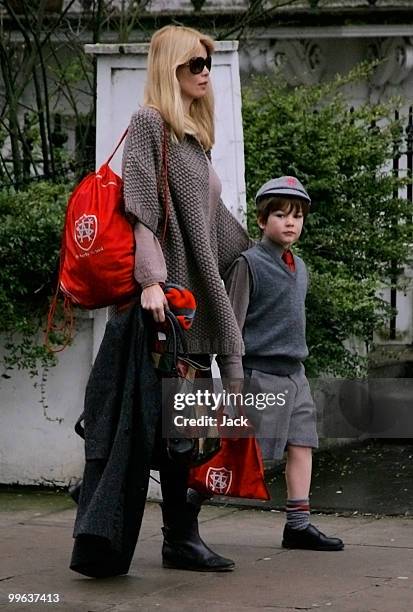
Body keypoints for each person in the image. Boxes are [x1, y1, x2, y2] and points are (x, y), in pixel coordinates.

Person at [121, 25, 251, 571]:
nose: (204, 72)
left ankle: (180, 532)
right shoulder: (149, 123)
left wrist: (256, 257)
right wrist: (151, 281)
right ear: (170, 66)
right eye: (195, 63)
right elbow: (140, 212)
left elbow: (211, 224)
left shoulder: (192, 139)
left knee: (192, 429)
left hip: (200, 307)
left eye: (207, 65)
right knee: (179, 431)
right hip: (172, 308)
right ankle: (178, 538)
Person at [220, 176, 344, 551]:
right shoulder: (248, 264)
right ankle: (187, 512)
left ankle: (298, 524)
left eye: (298, 217)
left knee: (302, 444)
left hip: (295, 374)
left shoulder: (300, 267)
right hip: (261, 377)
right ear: (261, 221)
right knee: (238, 453)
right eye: (280, 215)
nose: (291, 223)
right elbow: (231, 324)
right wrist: (235, 380)